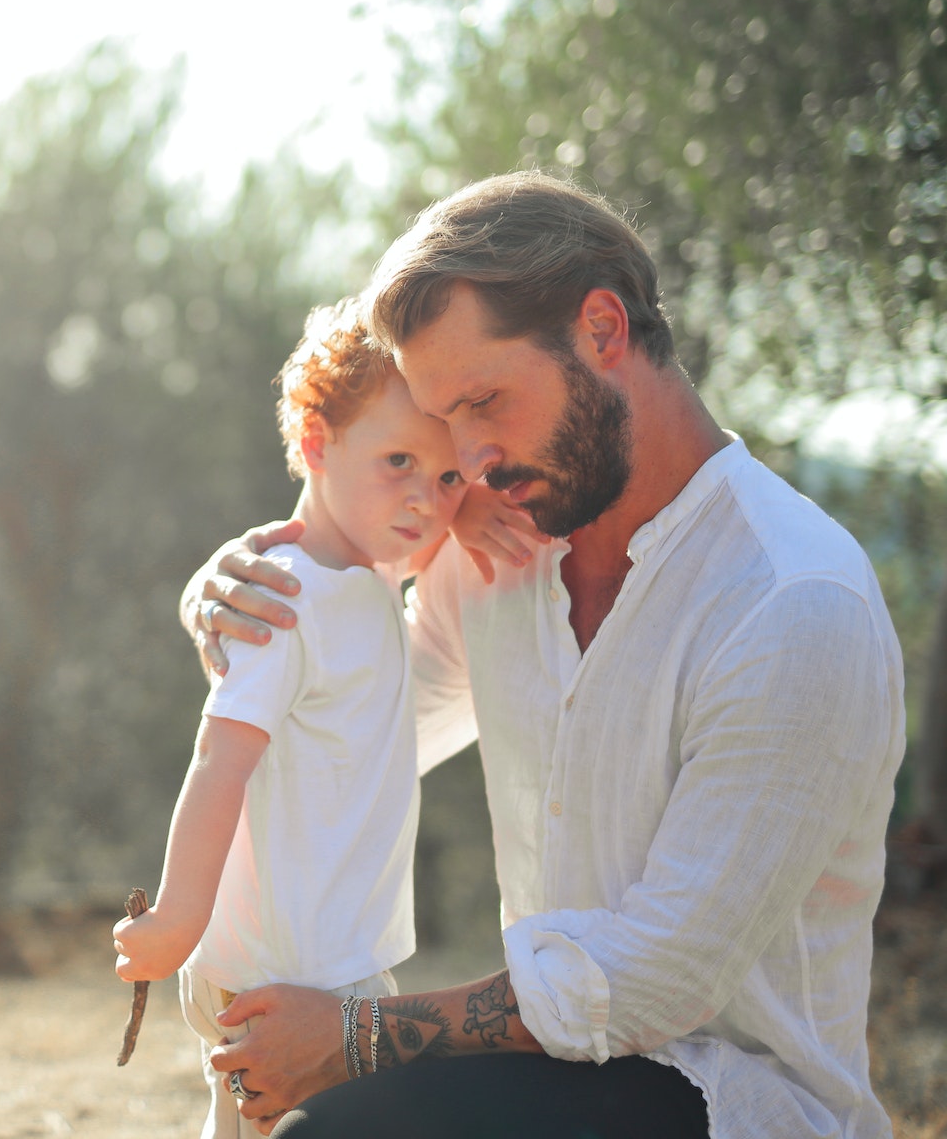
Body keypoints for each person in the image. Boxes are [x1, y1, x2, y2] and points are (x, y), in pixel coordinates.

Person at [183, 172, 905, 1139]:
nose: (472, 460)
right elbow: (346, 725)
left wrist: (353, 1035)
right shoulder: (494, 561)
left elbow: (655, 983)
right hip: (555, 1075)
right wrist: (254, 598)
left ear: (602, 330)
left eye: (486, 401)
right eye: (446, 426)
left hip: (735, 1105)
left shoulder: (793, 605)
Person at [113, 297, 468, 1139]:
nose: (426, 497)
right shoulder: (285, 597)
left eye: (449, 476)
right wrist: (175, 919)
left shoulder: (371, 580)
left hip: (320, 956)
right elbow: (219, 763)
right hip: (289, 968)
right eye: (398, 461)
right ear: (315, 440)